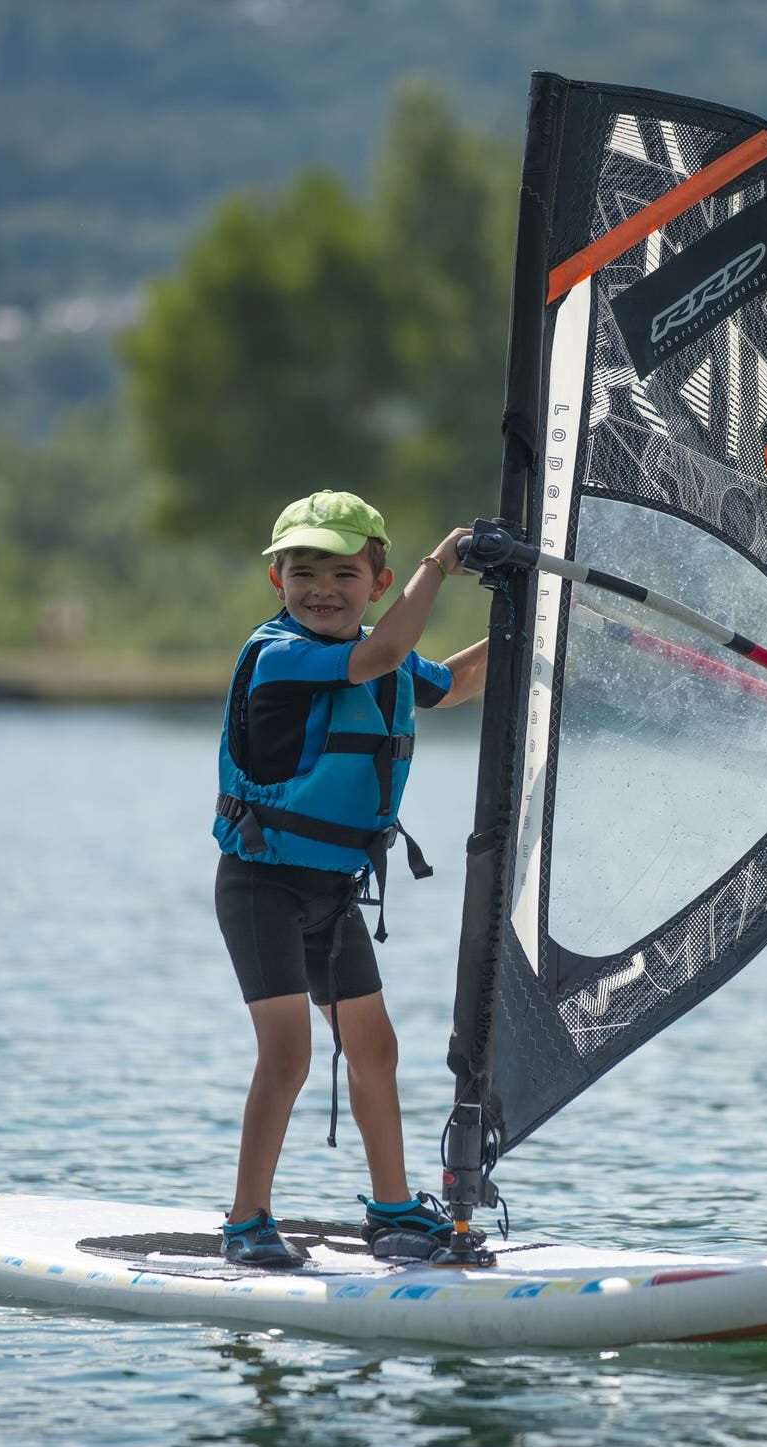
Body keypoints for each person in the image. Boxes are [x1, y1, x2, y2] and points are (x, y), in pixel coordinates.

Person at [212, 491, 485, 1268]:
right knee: (289, 1055)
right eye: (303, 572)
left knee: (376, 1048)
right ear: (277, 582)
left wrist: (530, 619)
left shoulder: (383, 655)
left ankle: (392, 1209)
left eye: (342, 573)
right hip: (262, 883)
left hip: (331, 894)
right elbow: (381, 657)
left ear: (376, 581)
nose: (321, 589)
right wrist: (444, 565)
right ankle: (246, 1220)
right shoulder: (282, 657)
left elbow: (453, 683)